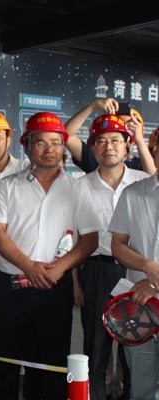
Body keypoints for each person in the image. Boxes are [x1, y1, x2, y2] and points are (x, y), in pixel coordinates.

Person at [0, 111, 100, 400]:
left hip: (55, 288)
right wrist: (29, 266)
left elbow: (90, 239)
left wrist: (60, 268)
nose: (49, 149)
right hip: (12, 289)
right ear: (27, 147)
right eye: (40, 142)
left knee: (51, 365)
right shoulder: (8, 186)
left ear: (64, 147)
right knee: (5, 362)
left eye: (56, 142)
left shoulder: (77, 188)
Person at [72, 114, 147, 400]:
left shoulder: (143, 182)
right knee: (96, 347)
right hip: (96, 271)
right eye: (101, 141)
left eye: (116, 140)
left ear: (127, 146)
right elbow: (74, 239)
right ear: (92, 147)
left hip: (135, 274)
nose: (109, 147)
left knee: (135, 345)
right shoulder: (80, 185)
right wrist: (76, 283)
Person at [109, 145, 159, 400]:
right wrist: (148, 267)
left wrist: (154, 283)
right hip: (139, 309)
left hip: (146, 292)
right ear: (155, 152)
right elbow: (117, 246)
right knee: (140, 388)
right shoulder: (133, 193)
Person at [64, 98, 156, 175]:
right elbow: (67, 134)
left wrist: (139, 140)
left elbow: (153, 180)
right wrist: (93, 106)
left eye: (130, 124)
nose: (125, 128)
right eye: (120, 123)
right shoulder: (98, 157)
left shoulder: (141, 164)